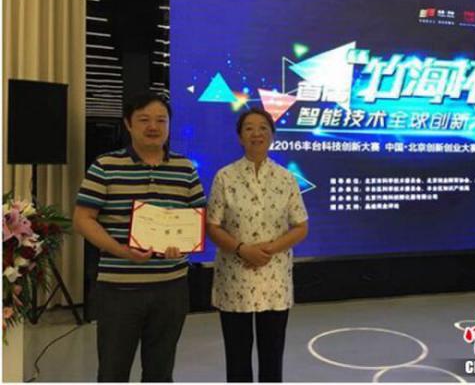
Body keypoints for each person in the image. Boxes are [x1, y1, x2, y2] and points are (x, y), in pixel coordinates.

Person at [73, 92, 205, 382]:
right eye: (144, 120)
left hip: (171, 287)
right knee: (113, 371)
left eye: (161, 120)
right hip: (119, 289)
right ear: (128, 124)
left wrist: (184, 245)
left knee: (160, 372)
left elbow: (196, 220)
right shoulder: (105, 165)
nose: (153, 126)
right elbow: (83, 219)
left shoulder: (185, 168)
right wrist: (121, 250)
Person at [206, 107, 309, 382]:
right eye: (249, 128)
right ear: (240, 137)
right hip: (235, 278)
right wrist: (243, 250)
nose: (256, 133)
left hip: (274, 280)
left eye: (263, 128)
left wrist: (269, 250)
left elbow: (301, 226)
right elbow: (212, 226)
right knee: (237, 359)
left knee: (272, 359)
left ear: (272, 135)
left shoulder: (286, 178)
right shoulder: (224, 177)